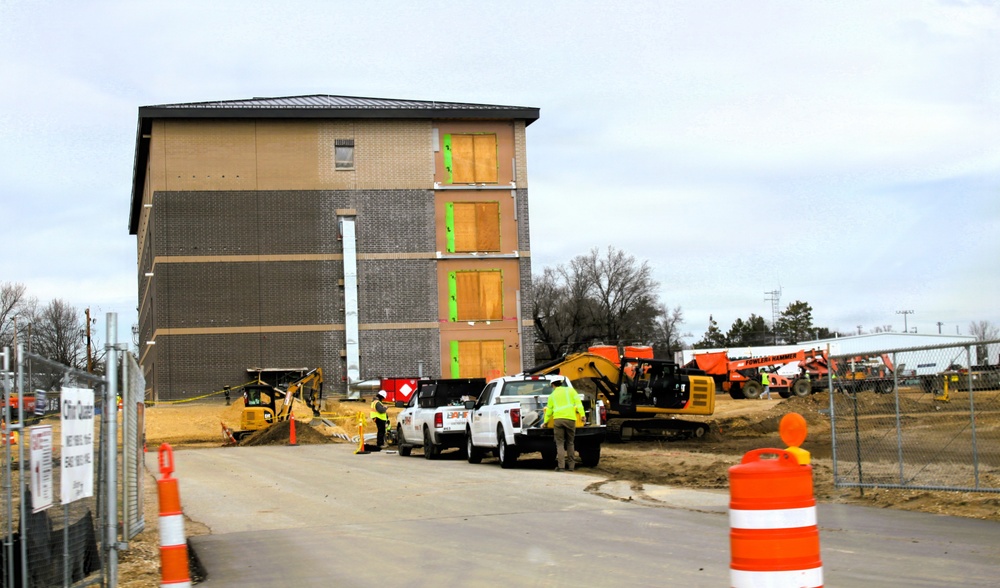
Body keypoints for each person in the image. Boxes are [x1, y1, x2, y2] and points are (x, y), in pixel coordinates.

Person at [543, 379, 586, 472]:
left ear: (553, 385)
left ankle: (561, 466)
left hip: (558, 420)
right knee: (570, 442)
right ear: (561, 383)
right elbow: (579, 403)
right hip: (571, 419)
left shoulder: (552, 396)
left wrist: (545, 422)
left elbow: (549, 411)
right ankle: (571, 466)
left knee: (560, 443)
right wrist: (582, 415)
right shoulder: (570, 390)